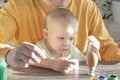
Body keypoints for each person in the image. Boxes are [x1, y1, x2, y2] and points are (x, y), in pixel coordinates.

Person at [0, 0, 120, 68]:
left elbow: (105, 49)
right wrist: (9, 53)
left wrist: (117, 52)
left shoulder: (88, 6)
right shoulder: (15, 7)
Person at [32, 8, 86, 72]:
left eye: (71, 39)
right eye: (61, 38)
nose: (66, 44)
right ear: (46, 34)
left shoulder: (72, 51)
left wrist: (94, 53)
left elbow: (86, 64)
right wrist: (51, 63)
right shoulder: (40, 49)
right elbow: (30, 61)